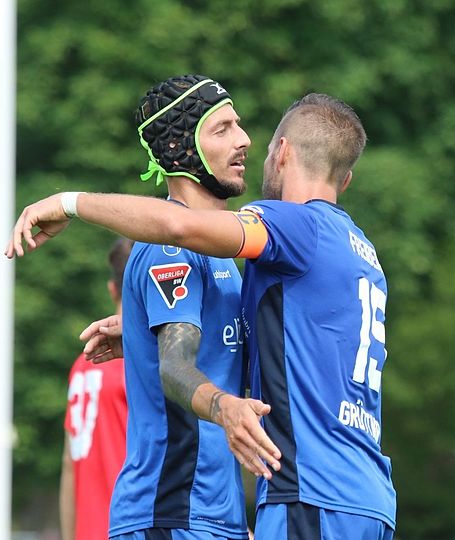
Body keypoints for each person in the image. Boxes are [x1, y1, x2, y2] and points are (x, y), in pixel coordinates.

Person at [7, 93, 396, 539]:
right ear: (346, 179)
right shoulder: (361, 251)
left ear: (283, 152)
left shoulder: (294, 225)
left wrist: (68, 202)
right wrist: (144, 334)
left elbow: (178, 226)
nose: (245, 142)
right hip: (368, 496)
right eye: (225, 128)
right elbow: (295, 353)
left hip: (311, 495)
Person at [62, 74, 279, 540]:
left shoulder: (221, 254)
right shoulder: (170, 250)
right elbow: (174, 367)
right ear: (181, 148)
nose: (244, 140)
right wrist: (225, 407)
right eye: (222, 129)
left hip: (215, 517)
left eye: (238, 125)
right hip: (170, 513)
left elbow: (213, 353)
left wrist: (137, 334)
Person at [60, 237, 133, 540]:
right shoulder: (138, 360)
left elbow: (69, 464)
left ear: (112, 289)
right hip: (131, 527)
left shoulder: (83, 363)